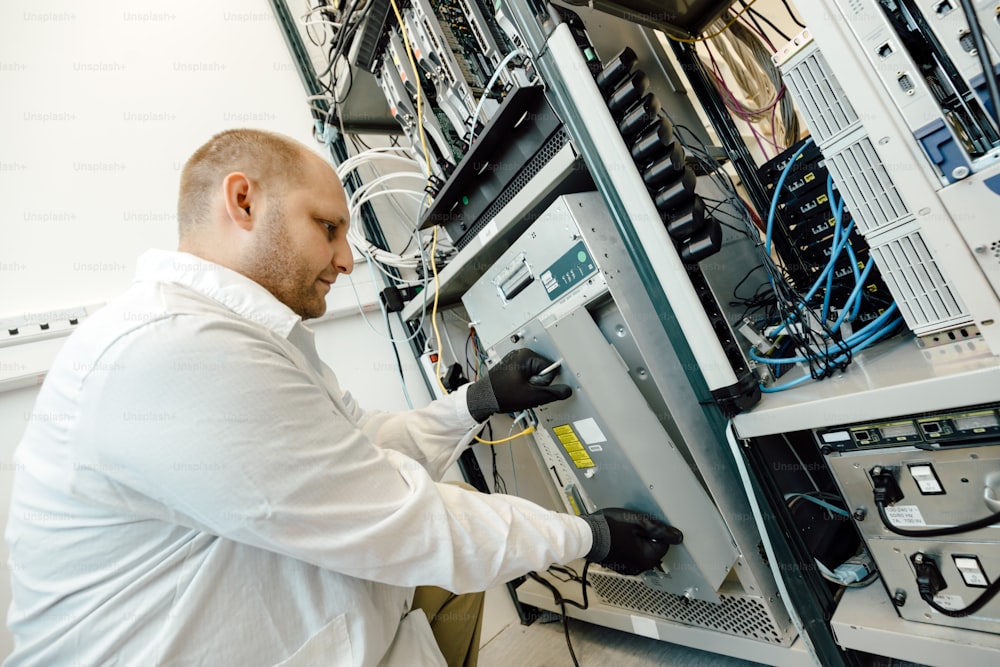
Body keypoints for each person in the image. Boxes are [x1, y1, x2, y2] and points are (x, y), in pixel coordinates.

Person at [4, 129, 682, 666]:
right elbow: (402, 520)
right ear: (243, 201)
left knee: (452, 544)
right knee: (442, 541)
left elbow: (361, 449)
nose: (348, 258)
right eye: (328, 227)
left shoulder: (243, 334)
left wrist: (476, 400)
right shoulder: (174, 349)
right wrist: (586, 536)